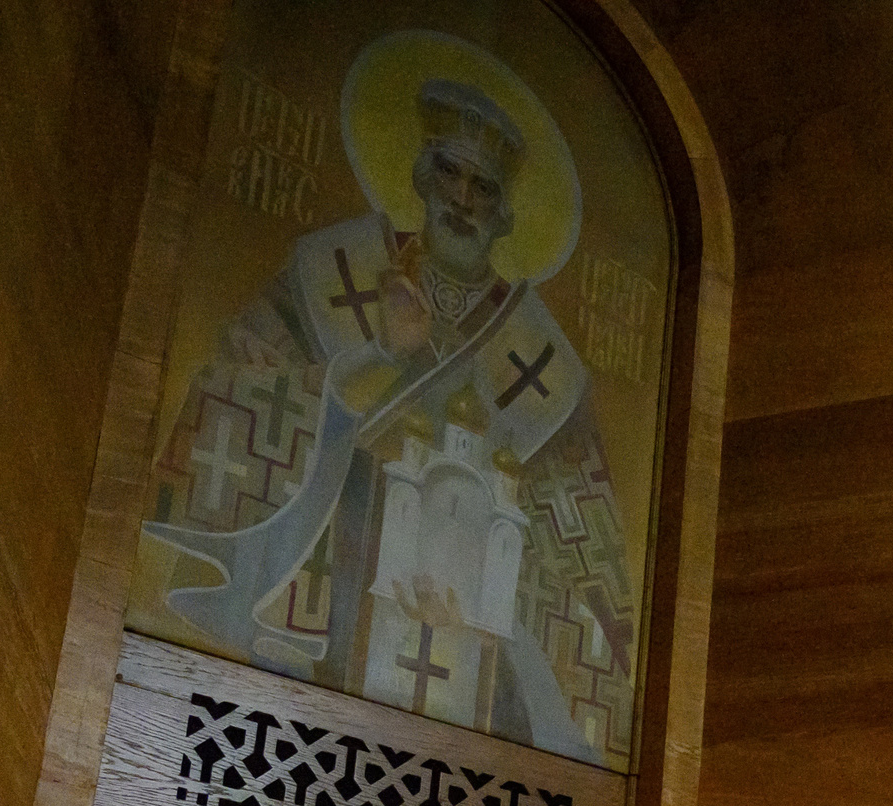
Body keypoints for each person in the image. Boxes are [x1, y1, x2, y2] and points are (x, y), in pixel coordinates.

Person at [138, 74, 636, 766]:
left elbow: (585, 558)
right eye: (449, 174)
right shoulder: (330, 272)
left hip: (474, 669)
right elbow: (227, 396)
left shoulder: (545, 361)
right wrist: (375, 358)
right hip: (324, 618)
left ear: (506, 216)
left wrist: (489, 587)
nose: (462, 200)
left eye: (483, 187)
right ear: (420, 180)